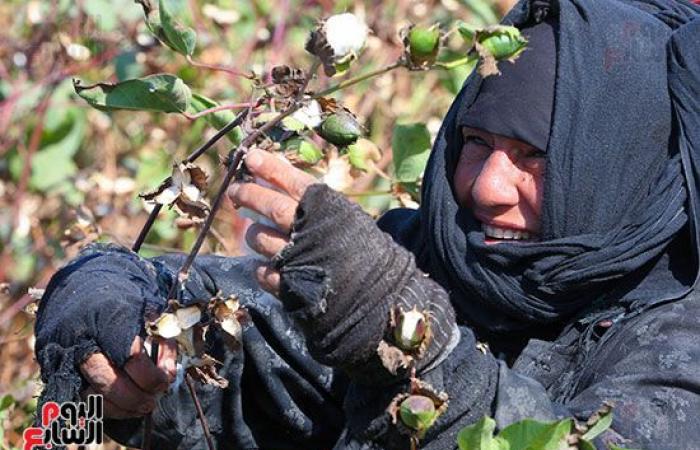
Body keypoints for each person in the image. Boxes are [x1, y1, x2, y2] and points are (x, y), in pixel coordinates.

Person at [34, 0, 700, 449]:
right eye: (476, 142)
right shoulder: (425, 256)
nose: (487, 187)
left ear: (631, 169)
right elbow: (216, 376)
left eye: (536, 157)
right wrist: (99, 318)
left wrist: (411, 346)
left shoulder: (681, 338)